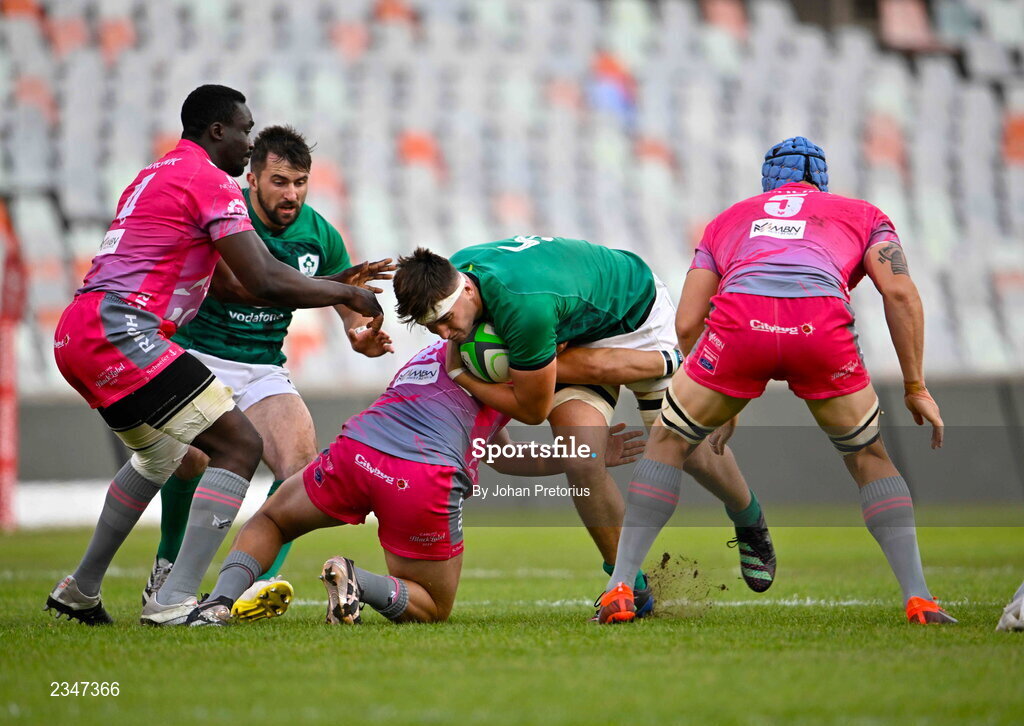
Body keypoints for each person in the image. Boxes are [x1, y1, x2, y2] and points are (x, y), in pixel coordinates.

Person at [44, 85, 384, 627]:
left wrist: (336, 290)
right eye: (245, 132)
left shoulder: (155, 174)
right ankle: (174, 598)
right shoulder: (210, 182)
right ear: (218, 131)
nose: (248, 143)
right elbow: (263, 279)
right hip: (127, 330)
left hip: (81, 331)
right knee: (238, 444)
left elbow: (231, 284)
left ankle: (79, 589)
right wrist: (345, 292)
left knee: (159, 457)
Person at [597, 136, 954, 625]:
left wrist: (726, 393)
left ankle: (619, 587)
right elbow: (900, 293)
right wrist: (916, 387)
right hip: (821, 325)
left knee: (668, 440)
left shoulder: (728, 220)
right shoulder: (864, 214)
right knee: (869, 457)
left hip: (740, 325)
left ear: (768, 182)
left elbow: (686, 324)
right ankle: (920, 599)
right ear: (821, 180)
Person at [392, 238, 777, 614]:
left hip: (636, 315)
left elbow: (532, 410)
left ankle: (748, 516)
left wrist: (463, 374)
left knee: (692, 454)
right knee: (580, 458)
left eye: (444, 320)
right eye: (430, 327)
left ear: (466, 291)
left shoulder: (524, 309)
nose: (443, 334)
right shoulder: (460, 275)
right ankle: (627, 586)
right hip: (570, 332)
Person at [184, 340, 645, 625]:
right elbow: (601, 368)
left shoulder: (442, 348)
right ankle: (357, 581)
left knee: (273, 519)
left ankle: (218, 602)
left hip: (358, 450)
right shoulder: (525, 355)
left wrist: (572, 457)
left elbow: (502, 456)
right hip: (422, 477)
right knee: (432, 605)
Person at [140, 125, 394, 610]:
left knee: (300, 462)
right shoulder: (222, 212)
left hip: (261, 367)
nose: (291, 194)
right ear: (253, 178)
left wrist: (360, 334)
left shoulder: (320, 234)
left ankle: (253, 581)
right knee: (190, 459)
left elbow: (347, 310)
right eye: (280, 181)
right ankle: (166, 569)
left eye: (300, 182)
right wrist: (333, 286)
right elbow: (243, 286)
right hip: (198, 356)